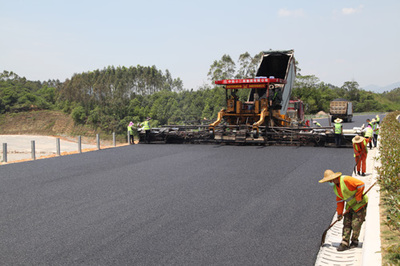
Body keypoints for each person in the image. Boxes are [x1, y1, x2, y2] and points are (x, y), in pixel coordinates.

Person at [319, 169, 368, 251]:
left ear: (334, 178)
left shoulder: (346, 179)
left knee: (356, 224)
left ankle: (354, 241)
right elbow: (340, 201)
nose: (330, 182)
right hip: (350, 206)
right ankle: (345, 242)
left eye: (330, 180)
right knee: (347, 223)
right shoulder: (335, 188)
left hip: (360, 204)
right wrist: (339, 213)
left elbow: (361, 184)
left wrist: (358, 197)